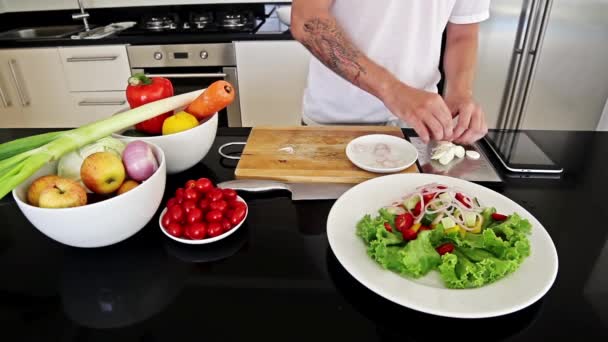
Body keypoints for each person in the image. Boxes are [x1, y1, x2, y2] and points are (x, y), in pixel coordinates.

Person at [291, 0, 490, 144]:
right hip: (337, 121)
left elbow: (463, 32)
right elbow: (307, 21)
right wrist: (392, 90)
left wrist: (460, 92)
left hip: (423, 122)